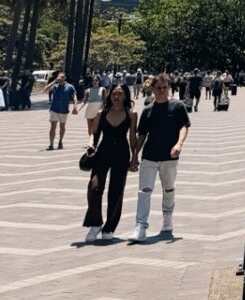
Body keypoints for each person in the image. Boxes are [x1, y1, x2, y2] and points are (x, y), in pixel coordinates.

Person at [128, 72, 190, 241]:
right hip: (149, 156)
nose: (162, 91)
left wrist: (179, 144)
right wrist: (135, 155)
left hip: (169, 157)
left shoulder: (177, 106)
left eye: (165, 88)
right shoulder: (147, 110)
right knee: (144, 191)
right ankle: (140, 226)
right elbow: (142, 135)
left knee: (168, 189)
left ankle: (167, 219)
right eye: (158, 88)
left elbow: (184, 127)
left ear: (169, 88)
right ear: (152, 89)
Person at [82, 82, 137, 242]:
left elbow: (132, 136)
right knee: (94, 187)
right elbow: (94, 132)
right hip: (103, 153)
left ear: (126, 95)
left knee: (116, 190)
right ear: (109, 95)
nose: (117, 97)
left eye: (120, 94)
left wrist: (135, 157)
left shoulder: (131, 113)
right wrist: (91, 144)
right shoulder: (102, 112)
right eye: (114, 94)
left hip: (121, 153)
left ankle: (109, 227)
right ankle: (95, 223)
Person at [47, 71, 78, 150]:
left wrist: (75, 106)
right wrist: (54, 81)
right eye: (59, 77)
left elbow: (74, 96)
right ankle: (51, 144)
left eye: (62, 77)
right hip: (54, 109)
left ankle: (60, 142)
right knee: (53, 126)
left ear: (65, 78)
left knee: (62, 127)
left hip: (64, 110)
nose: (60, 79)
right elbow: (45, 90)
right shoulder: (55, 86)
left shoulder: (70, 87)